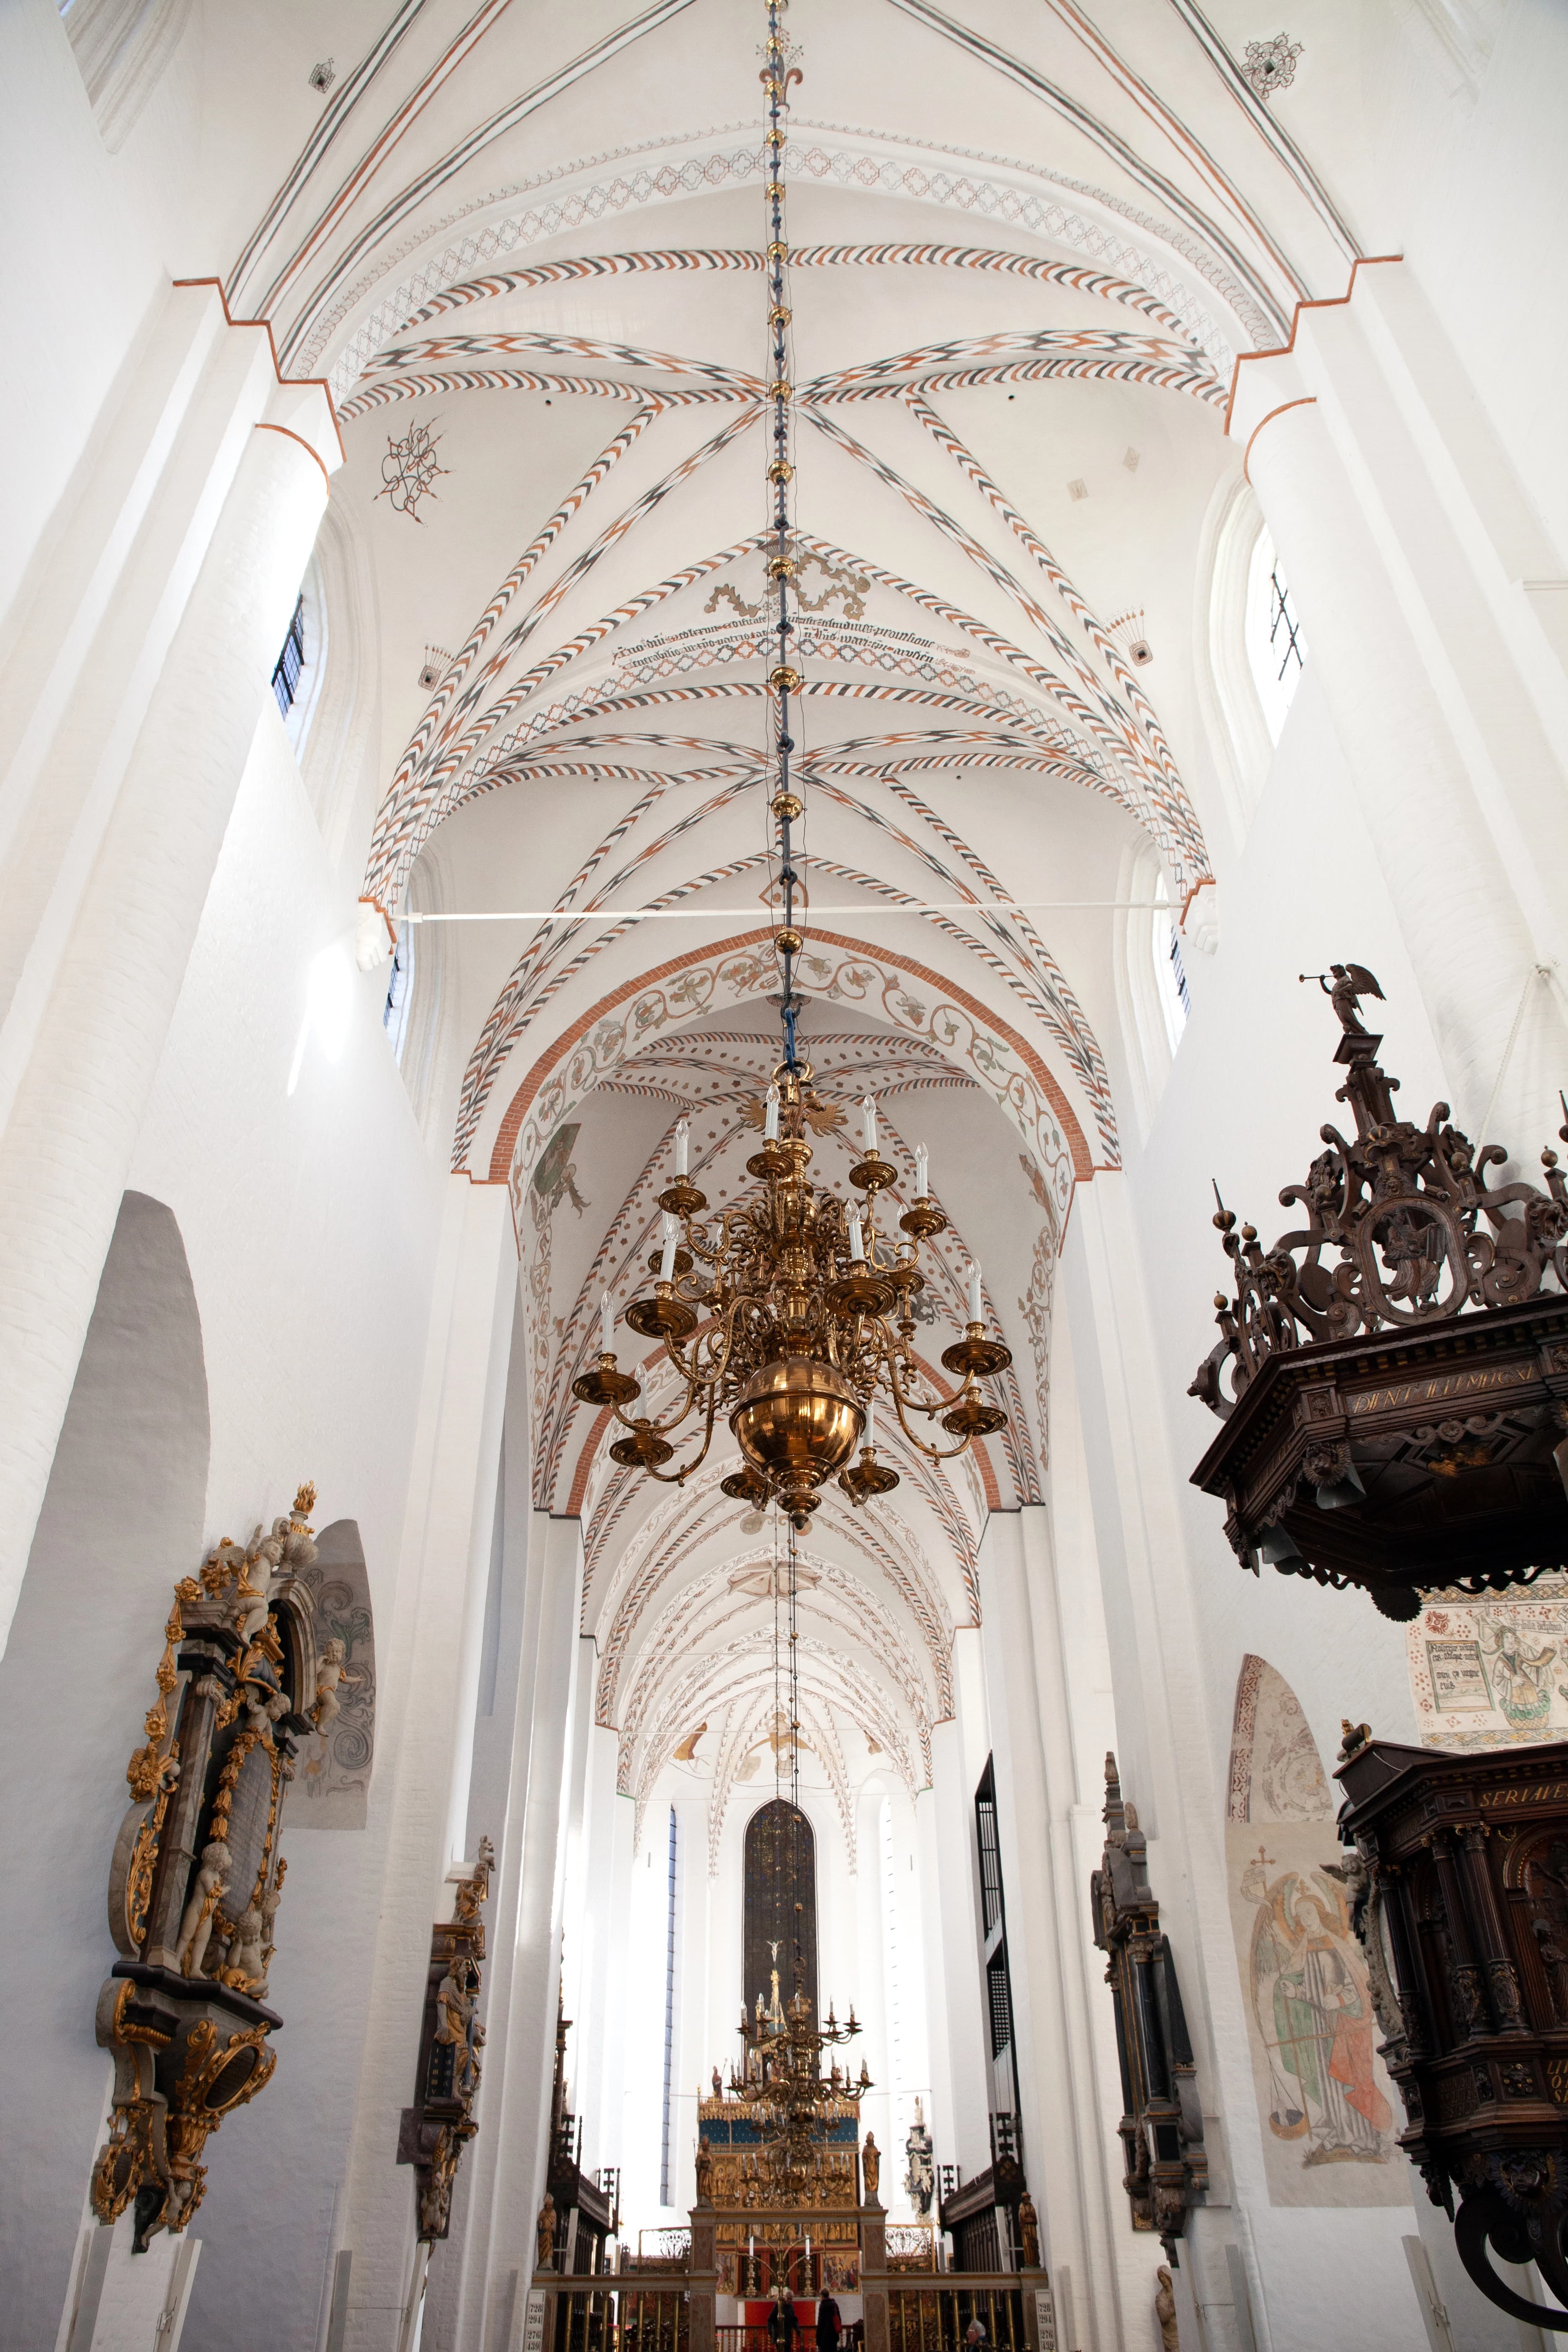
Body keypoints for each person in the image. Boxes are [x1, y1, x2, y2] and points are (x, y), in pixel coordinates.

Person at [768, 2284, 798, 2352]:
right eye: (788, 2299)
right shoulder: (778, 2305)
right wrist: (770, 2330)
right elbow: (771, 2319)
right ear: (785, 2297)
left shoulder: (791, 2307)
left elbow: (793, 2319)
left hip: (787, 2335)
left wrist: (797, 2328)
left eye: (791, 2299)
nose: (789, 2301)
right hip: (779, 2334)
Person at [816, 2285, 842, 2352]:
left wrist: (818, 2340)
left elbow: (820, 2323)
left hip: (825, 2338)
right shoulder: (835, 2305)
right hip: (833, 2337)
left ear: (822, 2296)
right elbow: (839, 2320)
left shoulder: (823, 2306)